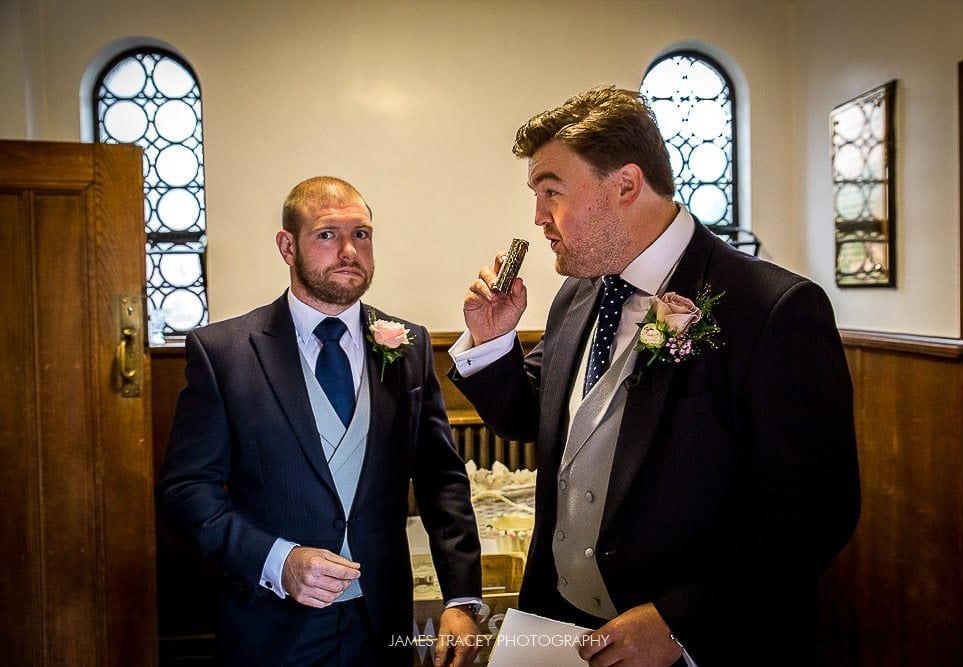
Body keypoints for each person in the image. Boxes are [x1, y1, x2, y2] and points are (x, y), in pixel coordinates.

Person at [449, 87, 860, 666]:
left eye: (551, 192)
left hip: (700, 645)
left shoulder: (774, 309)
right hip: (561, 625)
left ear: (625, 185)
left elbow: (814, 508)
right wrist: (492, 342)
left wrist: (679, 619)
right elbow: (532, 418)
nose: (539, 217)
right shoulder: (578, 293)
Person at [157, 176, 482, 666]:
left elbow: (441, 480)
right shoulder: (225, 353)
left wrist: (460, 597)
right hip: (271, 625)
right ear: (288, 246)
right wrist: (277, 559)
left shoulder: (408, 346)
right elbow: (186, 491)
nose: (349, 250)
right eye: (328, 234)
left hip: (382, 623)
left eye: (362, 234)